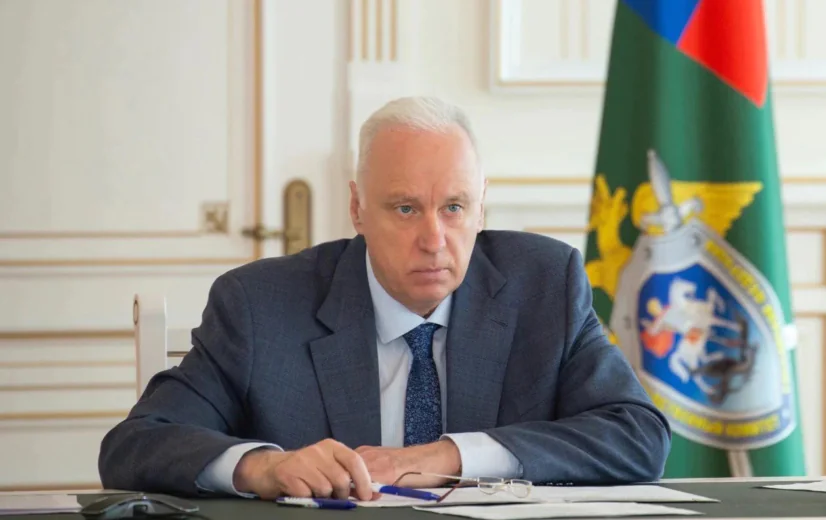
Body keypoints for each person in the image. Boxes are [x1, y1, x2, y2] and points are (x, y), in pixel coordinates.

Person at [98, 96, 671, 500]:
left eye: (454, 208)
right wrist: (263, 468)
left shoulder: (544, 284)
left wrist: (448, 456)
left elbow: (637, 435)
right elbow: (135, 445)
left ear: (481, 207)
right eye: (405, 208)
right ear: (356, 208)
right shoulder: (259, 306)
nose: (433, 238)